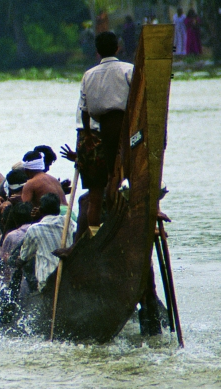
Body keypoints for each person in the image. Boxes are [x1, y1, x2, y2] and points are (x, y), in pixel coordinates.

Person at [67, 31, 133, 237]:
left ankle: (95, 236)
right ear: (118, 47)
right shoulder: (128, 70)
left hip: (92, 136)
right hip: (119, 133)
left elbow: (85, 111)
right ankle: (117, 230)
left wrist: (87, 137)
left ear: (97, 52)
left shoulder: (89, 75)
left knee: (95, 194)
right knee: (121, 184)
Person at [16, 193, 75, 292]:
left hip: (46, 280)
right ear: (59, 209)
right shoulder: (68, 221)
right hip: (68, 276)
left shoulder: (34, 229)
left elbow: (24, 257)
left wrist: (18, 262)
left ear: (41, 210)